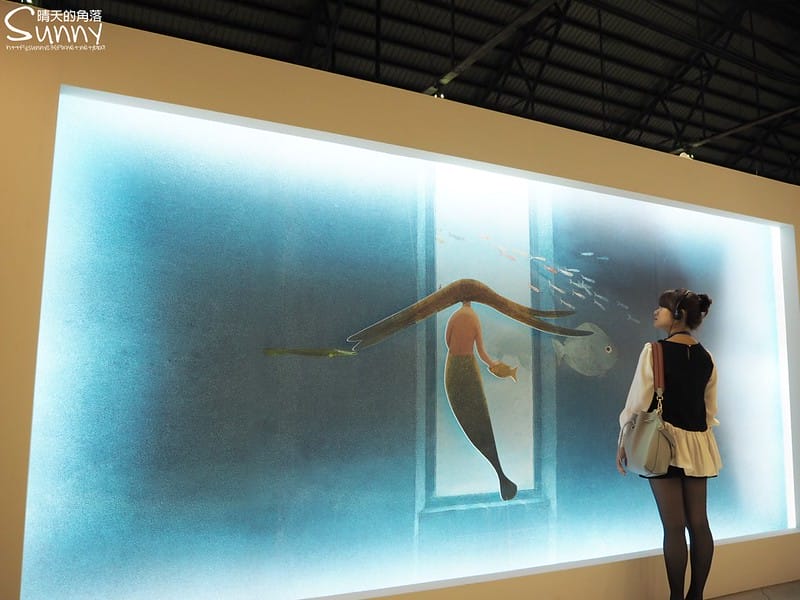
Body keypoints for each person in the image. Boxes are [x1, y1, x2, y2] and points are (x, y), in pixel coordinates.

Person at [616, 288, 721, 600]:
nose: (655, 312)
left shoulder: (654, 351)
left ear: (678, 314)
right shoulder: (707, 357)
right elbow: (710, 409)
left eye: (661, 307)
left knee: (673, 526)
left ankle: (676, 597)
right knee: (699, 524)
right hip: (699, 445)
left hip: (661, 443)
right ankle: (696, 595)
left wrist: (623, 440)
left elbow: (637, 404)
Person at [445, 301, 517, 501]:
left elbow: (448, 341)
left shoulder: (455, 316)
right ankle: (501, 476)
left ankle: (501, 476)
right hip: (469, 365)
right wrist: (493, 364)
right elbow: (481, 351)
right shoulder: (474, 318)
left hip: (454, 364)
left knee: (467, 416)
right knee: (479, 416)